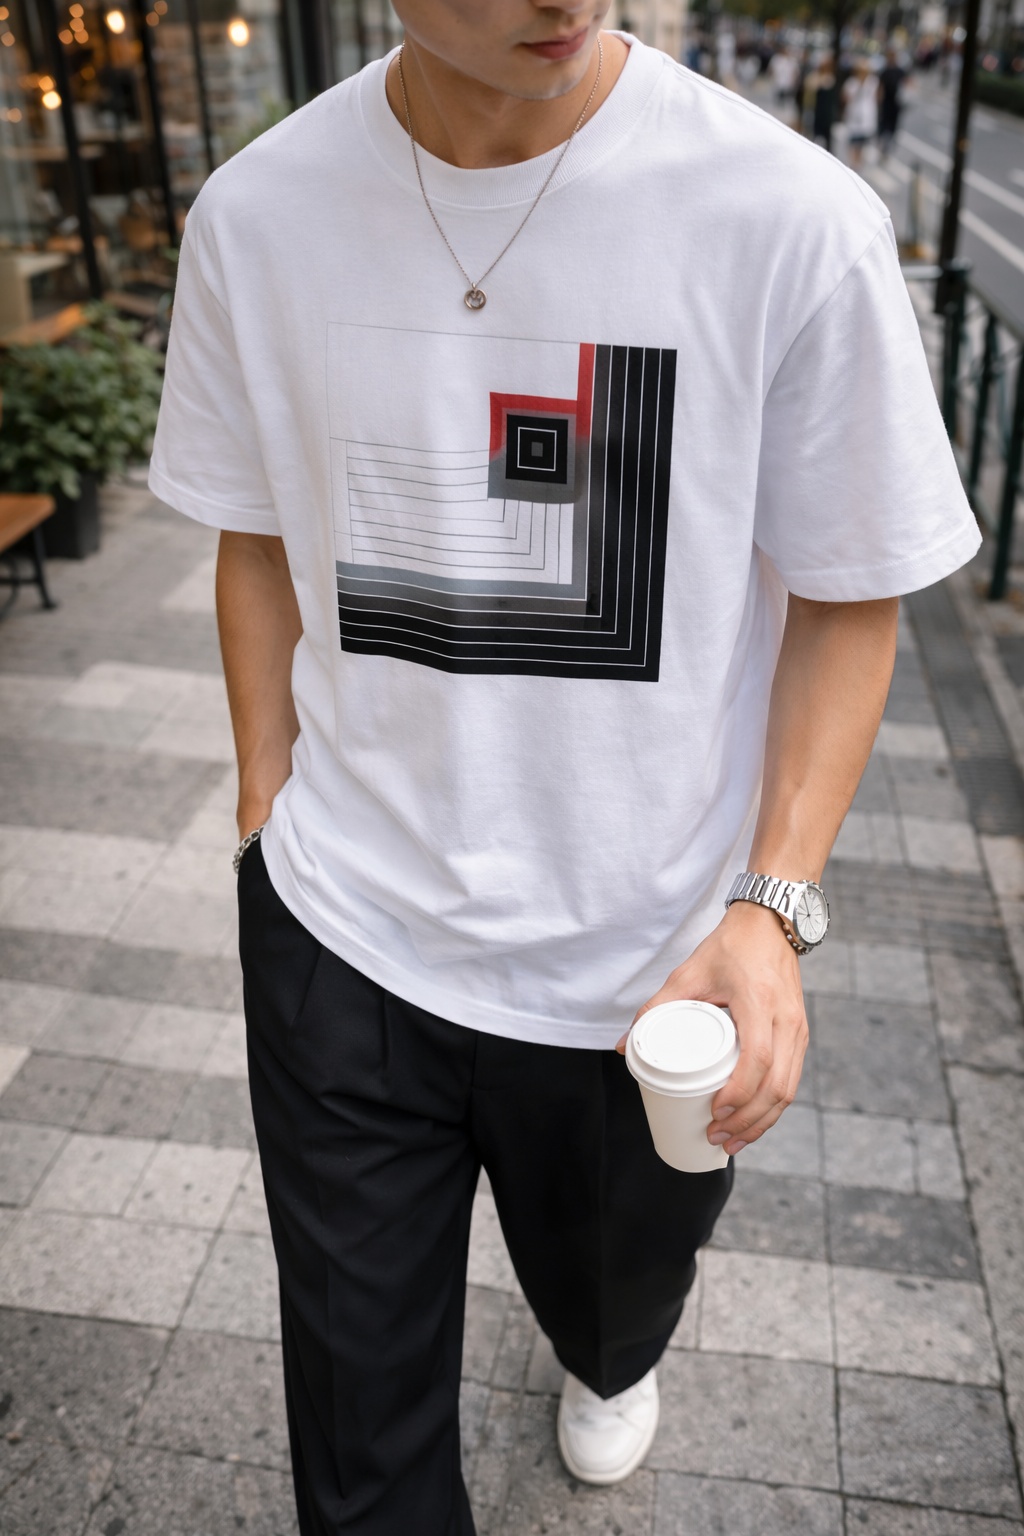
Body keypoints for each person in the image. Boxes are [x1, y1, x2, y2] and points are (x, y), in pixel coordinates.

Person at [149, 3, 980, 1531]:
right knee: (360, 1447)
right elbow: (252, 532)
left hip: (649, 969)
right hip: (343, 933)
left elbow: (851, 590)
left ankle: (610, 1355)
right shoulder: (259, 214)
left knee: (616, 1289)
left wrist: (772, 902)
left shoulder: (789, 220)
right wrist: (267, 810)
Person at [842, 55, 880, 170]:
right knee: (853, 142)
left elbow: (877, 97)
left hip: (867, 117)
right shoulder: (851, 83)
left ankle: (858, 163)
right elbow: (845, 98)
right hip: (854, 116)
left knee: (862, 143)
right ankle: (852, 164)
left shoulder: (873, 82)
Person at [878, 47, 907, 159]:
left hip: (894, 104)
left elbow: (906, 84)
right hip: (889, 103)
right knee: (886, 126)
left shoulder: (898, 71)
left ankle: (886, 147)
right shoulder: (886, 71)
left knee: (889, 127)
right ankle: (885, 147)